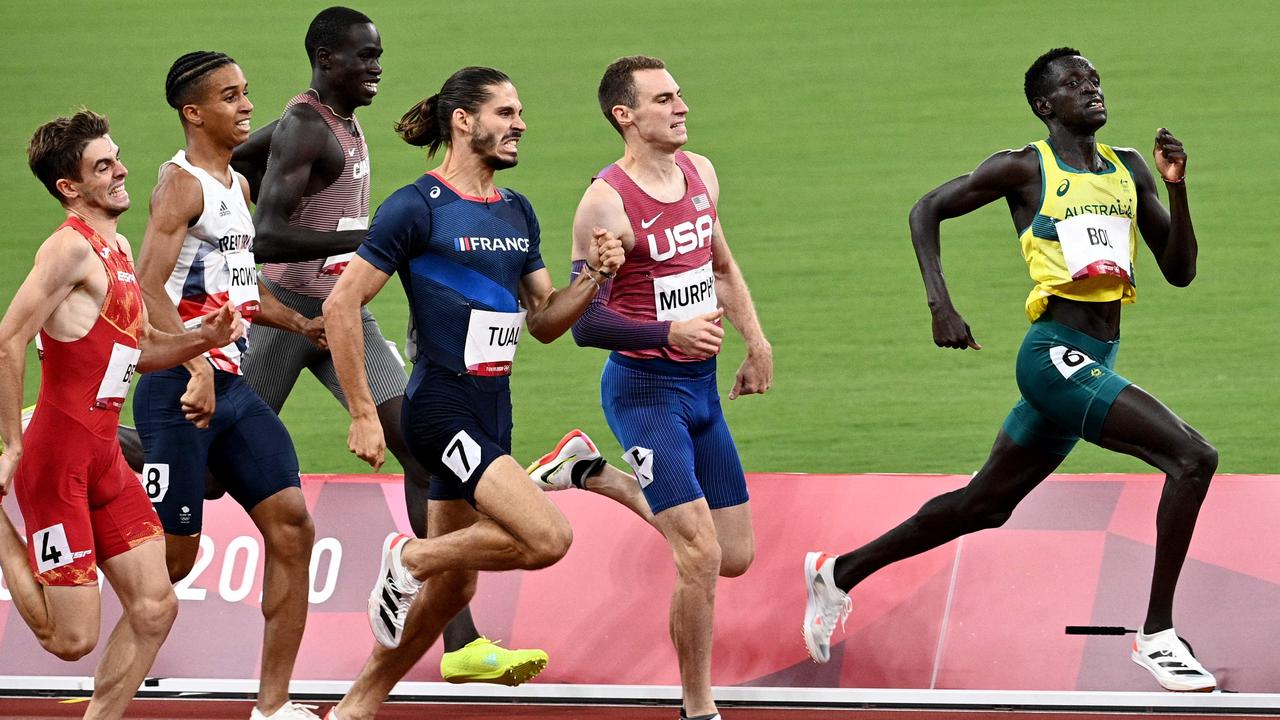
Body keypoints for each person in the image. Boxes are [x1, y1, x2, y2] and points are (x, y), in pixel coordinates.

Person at [802, 47, 1216, 693]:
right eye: (1075, 83)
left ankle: (838, 574)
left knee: (985, 505)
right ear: (1045, 106)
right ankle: (1157, 634)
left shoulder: (1128, 168)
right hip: (1052, 355)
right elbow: (926, 208)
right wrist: (941, 305)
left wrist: (1177, 185)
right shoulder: (1025, 167)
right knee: (1192, 457)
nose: (1093, 89)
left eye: (1096, 79)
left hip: (1094, 358)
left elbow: (1181, 271)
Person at [229, 8, 543, 683]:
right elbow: (266, 239)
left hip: (343, 317)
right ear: (324, 58)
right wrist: (370, 242)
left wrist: (224, 179)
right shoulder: (307, 123)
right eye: (363, 57)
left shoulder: (335, 122)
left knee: (421, 448)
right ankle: (95, 439)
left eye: (378, 56)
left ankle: (458, 638)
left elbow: (234, 162)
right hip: (288, 314)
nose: (376, 68)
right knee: (204, 465)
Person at [320, 66, 624, 720]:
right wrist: (365, 413)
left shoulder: (517, 211)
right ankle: (409, 554)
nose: (519, 125)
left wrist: (594, 280)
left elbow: (543, 321)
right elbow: (342, 305)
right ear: (464, 120)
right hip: (439, 409)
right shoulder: (415, 207)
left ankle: (358, 702)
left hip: (493, 408)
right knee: (547, 538)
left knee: (452, 588)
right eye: (505, 113)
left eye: (519, 114)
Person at [0, 109, 243, 720]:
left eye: (116, 157)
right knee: (71, 639)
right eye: (102, 166)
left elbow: (139, 354)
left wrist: (200, 337)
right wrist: (9, 447)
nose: (121, 170)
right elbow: (8, 341)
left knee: (156, 606)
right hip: (57, 465)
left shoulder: (118, 249)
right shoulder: (67, 251)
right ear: (70, 188)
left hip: (104, 458)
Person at [556, 55, 774, 720]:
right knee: (700, 553)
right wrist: (666, 334)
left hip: (701, 391)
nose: (681, 108)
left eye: (680, 95)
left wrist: (756, 341)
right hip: (645, 395)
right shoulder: (605, 202)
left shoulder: (700, 172)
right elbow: (583, 322)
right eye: (664, 99)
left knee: (733, 554)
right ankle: (697, 706)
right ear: (626, 115)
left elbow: (723, 265)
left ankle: (590, 472)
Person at [132, 52, 325, 720]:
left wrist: (300, 321)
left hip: (231, 388)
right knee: (174, 563)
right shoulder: (179, 185)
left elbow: (237, 289)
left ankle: (272, 708)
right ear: (194, 111)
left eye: (246, 93)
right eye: (230, 96)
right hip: (177, 390)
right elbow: (145, 286)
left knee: (294, 527)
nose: (247, 106)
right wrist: (192, 367)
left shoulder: (235, 189)